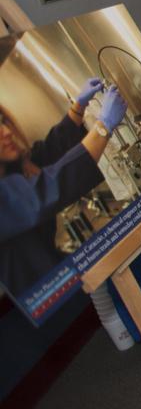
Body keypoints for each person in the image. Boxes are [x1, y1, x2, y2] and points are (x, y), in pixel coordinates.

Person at [0, 82, 126, 294]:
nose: (6, 132)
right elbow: (48, 186)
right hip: (38, 306)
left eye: (3, 122)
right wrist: (102, 127)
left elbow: (44, 157)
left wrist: (77, 109)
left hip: (54, 286)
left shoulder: (10, 171)